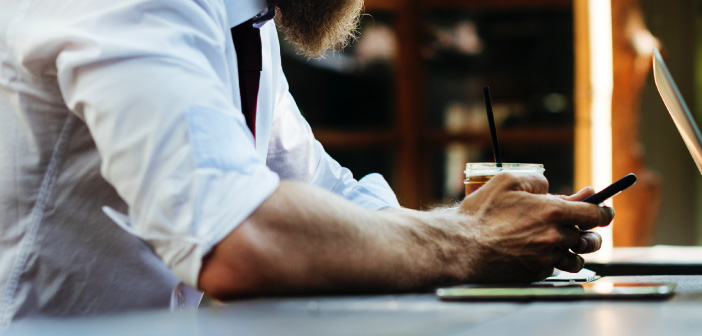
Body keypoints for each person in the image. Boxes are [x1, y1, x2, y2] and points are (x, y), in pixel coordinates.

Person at [0, 0, 613, 327]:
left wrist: (485, 224)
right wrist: (469, 237)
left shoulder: (244, 19)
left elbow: (324, 190)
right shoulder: (139, 5)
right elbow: (240, 238)